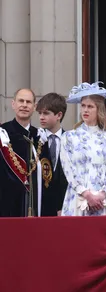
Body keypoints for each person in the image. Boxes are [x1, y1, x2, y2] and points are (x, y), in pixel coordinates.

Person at [60, 82, 106, 216]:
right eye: (83, 106)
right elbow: (68, 169)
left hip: (102, 201)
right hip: (77, 199)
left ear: (99, 109)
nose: (85, 110)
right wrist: (86, 194)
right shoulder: (69, 137)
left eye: (90, 106)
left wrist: (101, 194)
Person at [0, 89, 43, 217]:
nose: (24, 105)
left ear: (34, 107)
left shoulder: (39, 136)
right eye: (21, 101)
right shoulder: (3, 134)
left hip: (35, 206)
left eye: (28, 102)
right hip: (7, 206)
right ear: (13, 104)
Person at [36, 93, 69, 216]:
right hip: (41, 207)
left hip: (65, 205)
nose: (41, 117)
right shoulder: (35, 140)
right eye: (39, 113)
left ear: (59, 115)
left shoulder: (71, 140)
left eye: (46, 113)